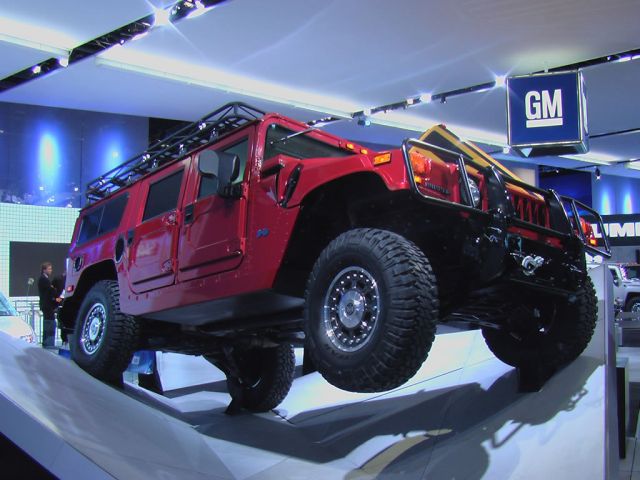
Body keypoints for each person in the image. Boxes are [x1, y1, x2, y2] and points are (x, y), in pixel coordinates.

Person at [38, 262, 61, 348]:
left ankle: (48, 342)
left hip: (47, 305)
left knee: (50, 322)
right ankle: (48, 343)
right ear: (44, 270)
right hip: (47, 305)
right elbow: (50, 291)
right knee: (50, 323)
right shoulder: (43, 279)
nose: (51, 270)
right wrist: (54, 292)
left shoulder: (45, 279)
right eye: (49, 269)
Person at [51, 271, 68, 345]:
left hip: (64, 304)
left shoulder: (59, 279)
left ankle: (65, 341)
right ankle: (64, 341)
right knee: (63, 323)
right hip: (62, 305)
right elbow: (52, 290)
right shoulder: (58, 279)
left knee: (63, 324)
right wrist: (56, 299)